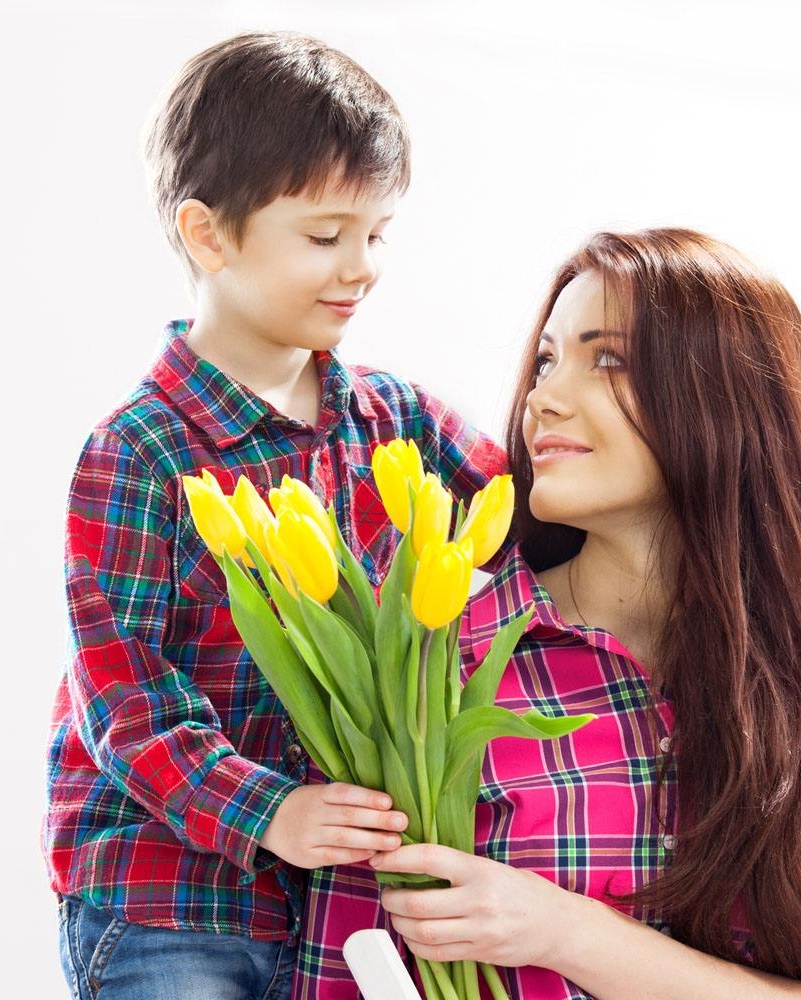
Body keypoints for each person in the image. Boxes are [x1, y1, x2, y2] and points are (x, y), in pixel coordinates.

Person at [293, 229, 801, 999]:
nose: (543, 395)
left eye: (605, 358)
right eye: (546, 359)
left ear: (725, 400)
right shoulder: (436, 670)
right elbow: (343, 972)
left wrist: (566, 932)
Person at [43, 31, 505, 1000]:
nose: (364, 265)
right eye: (327, 236)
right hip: (166, 896)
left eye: (377, 234)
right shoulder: (137, 451)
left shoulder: (396, 422)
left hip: (335, 906)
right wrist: (269, 810)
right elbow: (125, 695)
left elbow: (525, 518)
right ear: (209, 235)